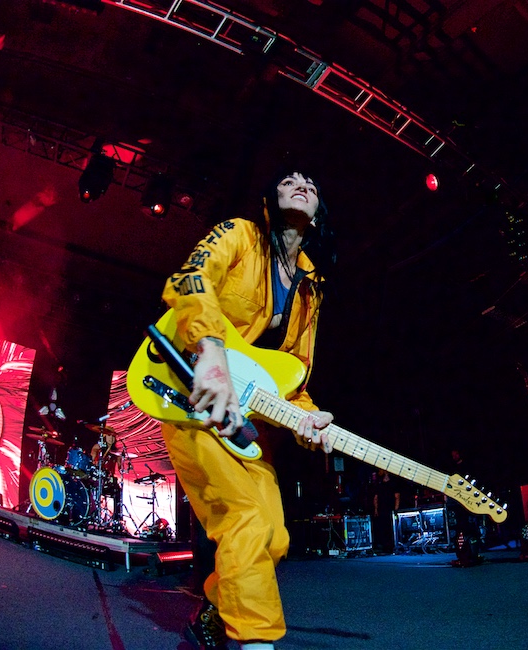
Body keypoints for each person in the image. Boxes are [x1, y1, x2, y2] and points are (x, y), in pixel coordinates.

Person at [160, 170, 336, 650]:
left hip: (243, 423)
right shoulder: (239, 234)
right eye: (289, 179)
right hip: (190, 395)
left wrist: (308, 417)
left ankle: (213, 617)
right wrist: (212, 351)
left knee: (274, 537)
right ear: (269, 197)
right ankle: (257, 643)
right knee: (247, 521)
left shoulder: (311, 288)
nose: (302, 183)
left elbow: (294, 373)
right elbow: (189, 278)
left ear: (319, 213)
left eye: (311, 184)